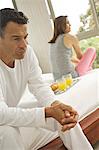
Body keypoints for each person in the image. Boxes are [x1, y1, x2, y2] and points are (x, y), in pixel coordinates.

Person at [0, 8, 93, 150]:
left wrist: (55, 105)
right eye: (16, 38)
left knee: (63, 114)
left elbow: (39, 86)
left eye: (25, 37)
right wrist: (47, 112)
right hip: (2, 119)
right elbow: (2, 114)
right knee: (7, 132)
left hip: (11, 112)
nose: (24, 45)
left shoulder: (27, 53)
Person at [49, 16, 96, 81]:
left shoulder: (53, 42)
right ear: (61, 25)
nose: (70, 25)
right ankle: (88, 68)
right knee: (92, 49)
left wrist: (79, 62)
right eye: (67, 23)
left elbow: (63, 58)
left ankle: (87, 68)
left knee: (78, 63)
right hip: (71, 76)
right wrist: (84, 63)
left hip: (57, 78)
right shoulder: (71, 37)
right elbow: (80, 56)